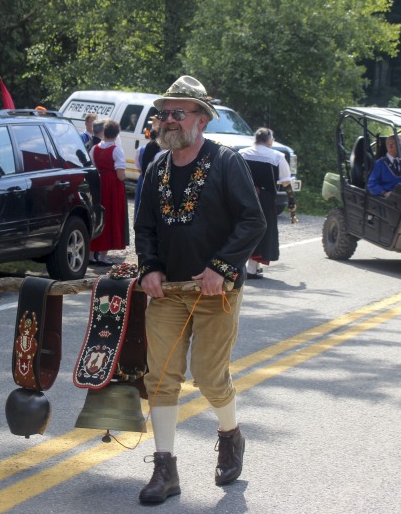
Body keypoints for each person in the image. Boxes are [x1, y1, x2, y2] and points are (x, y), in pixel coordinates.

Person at [134, 75, 266, 504]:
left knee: (210, 376)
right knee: (161, 378)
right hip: (168, 293)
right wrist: (150, 268)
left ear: (202, 119)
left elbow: (253, 221)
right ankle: (165, 468)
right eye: (163, 113)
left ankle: (230, 435)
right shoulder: (155, 167)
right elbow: (145, 226)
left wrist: (221, 267)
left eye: (177, 113)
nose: (167, 121)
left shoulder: (227, 162)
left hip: (216, 292)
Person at [239, 127, 295, 278]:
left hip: (244, 196)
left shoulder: (243, 154)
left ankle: (252, 268)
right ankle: (251, 269)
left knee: (244, 228)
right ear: (269, 140)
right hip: (265, 198)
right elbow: (286, 182)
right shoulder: (277, 156)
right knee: (263, 230)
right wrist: (292, 201)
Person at [88, 119, 127, 266]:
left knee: (98, 217)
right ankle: (103, 256)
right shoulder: (116, 150)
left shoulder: (95, 148)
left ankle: (91, 253)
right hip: (112, 187)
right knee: (110, 216)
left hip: (98, 185)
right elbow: (120, 175)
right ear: (116, 134)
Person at [133, 128, 160, 218]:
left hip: (143, 177)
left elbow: (137, 164)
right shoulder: (160, 150)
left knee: (140, 204)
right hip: (152, 180)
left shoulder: (141, 149)